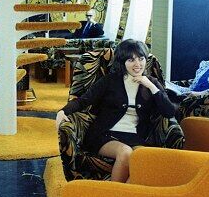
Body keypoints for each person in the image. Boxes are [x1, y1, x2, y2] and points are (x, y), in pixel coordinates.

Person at [55, 39, 174, 183]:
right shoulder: (110, 81)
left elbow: (169, 112)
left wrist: (151, 86)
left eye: (141, 58)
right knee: (125, 153)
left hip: (136, 137)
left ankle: (119, 195)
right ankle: (114, 195)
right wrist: (63, 111)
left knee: (145, 161)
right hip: (105, 134)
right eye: (131, 60)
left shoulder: (151, 83)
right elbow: (84, 100)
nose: (137, 64)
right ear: (123, 62)